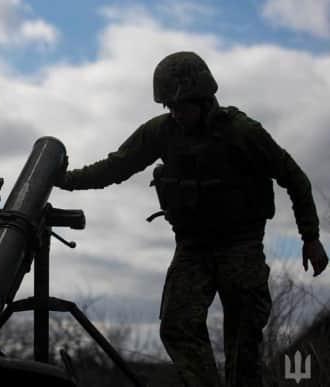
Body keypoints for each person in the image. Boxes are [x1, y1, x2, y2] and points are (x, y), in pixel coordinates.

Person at [56, 51, 328, 386]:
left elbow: (295, 178)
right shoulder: (162, 132)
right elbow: (116, 167)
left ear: (203, 99)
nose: (176, 114)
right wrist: (64, 179)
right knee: (177, 325)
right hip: (193, 249)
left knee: (244, 345)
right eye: (169, 107)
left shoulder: (243, 132)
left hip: (240, 246)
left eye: (181, 106)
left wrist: (310, 238)